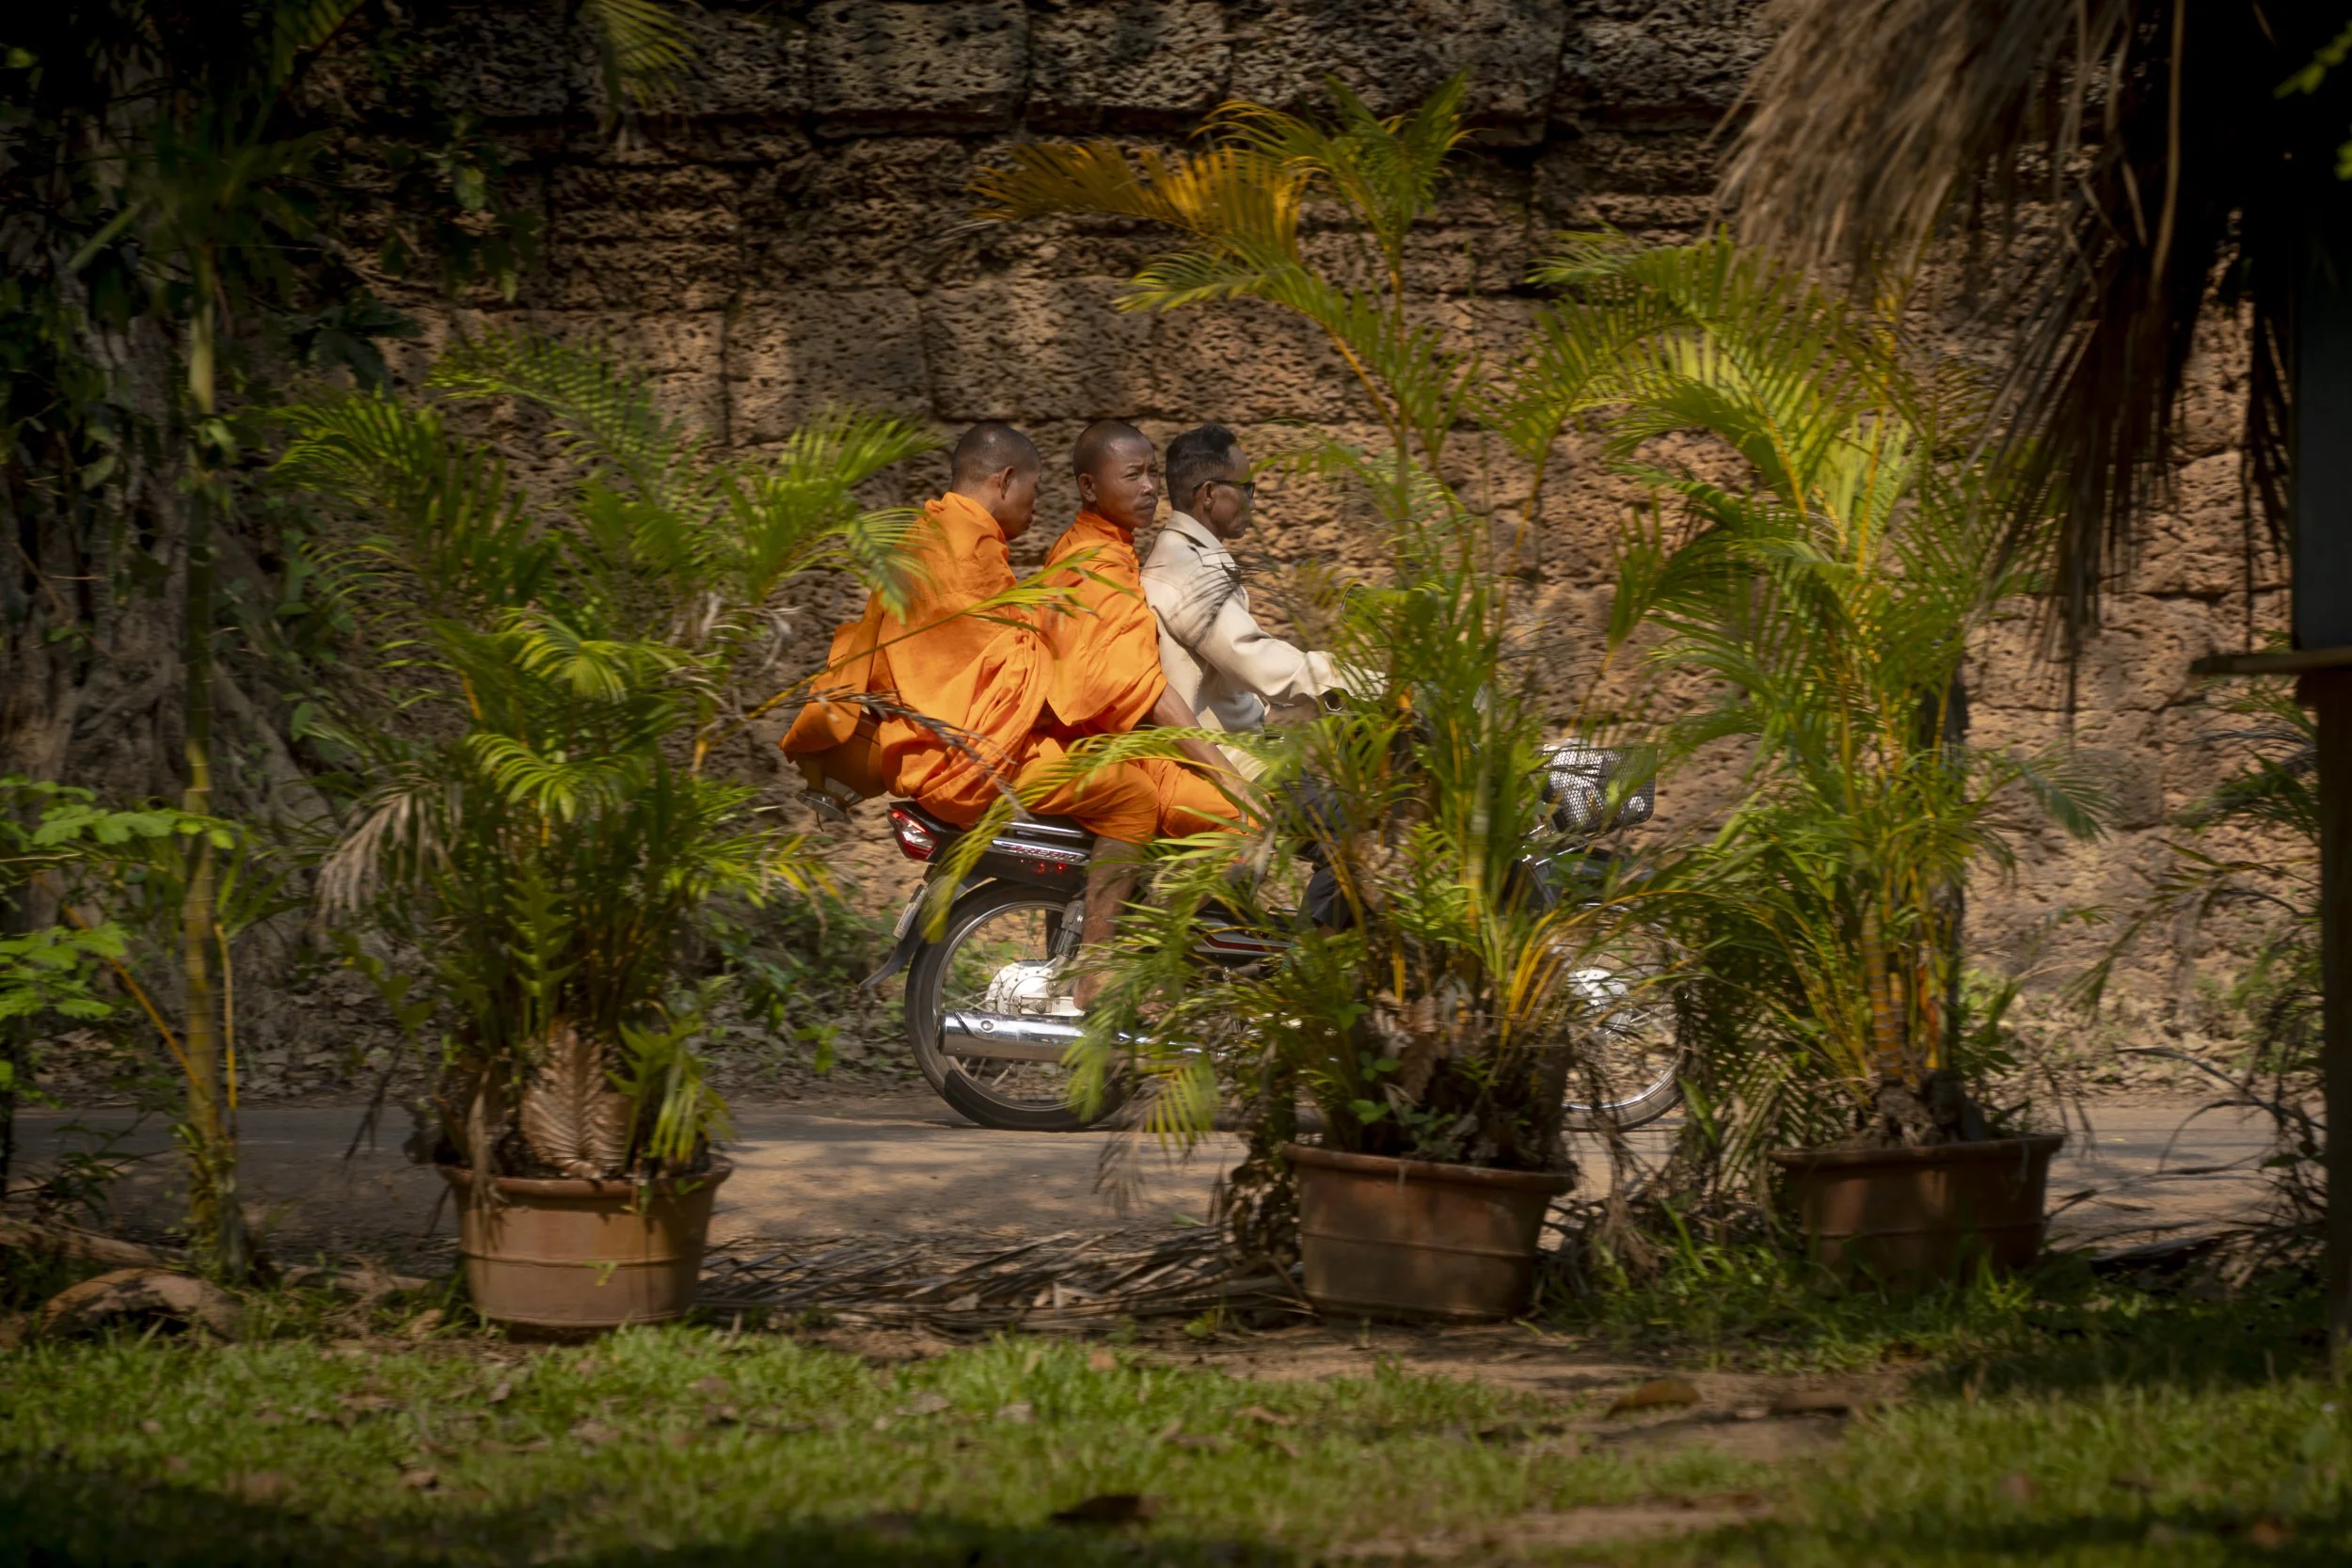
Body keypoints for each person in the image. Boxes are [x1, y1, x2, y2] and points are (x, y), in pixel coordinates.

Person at [778, 420, 1199, 1010]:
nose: (1036, 504)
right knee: (1130, 797)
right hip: (968, 759)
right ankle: (1095, 972)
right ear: (1004, 480)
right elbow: (1009, 669)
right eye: (1032, 488)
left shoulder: (927, 538)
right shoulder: (966, 549)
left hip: (936, 742)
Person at [1035, 419, 1251, 1006]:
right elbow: (1143, 691)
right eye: (1132, 475)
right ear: (1088, 487)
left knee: (1238, 823)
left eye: (1152, 472)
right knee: (1237, 821)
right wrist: (1225, 774)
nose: (1150, 487)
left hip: (1120, 743)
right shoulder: (1093, 561)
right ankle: (1113, 967)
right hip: (1099, 748)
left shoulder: (1114, 550)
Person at [1142, 422, 1349, 777]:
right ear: (1208, 494)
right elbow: (1254, 657)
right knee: (1332, 818)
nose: (1252, 501)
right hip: (1221, 761)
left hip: (1237, 749)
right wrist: (1353, 680)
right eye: (1246, 488)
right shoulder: (1188, 568)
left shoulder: (1186, 555)